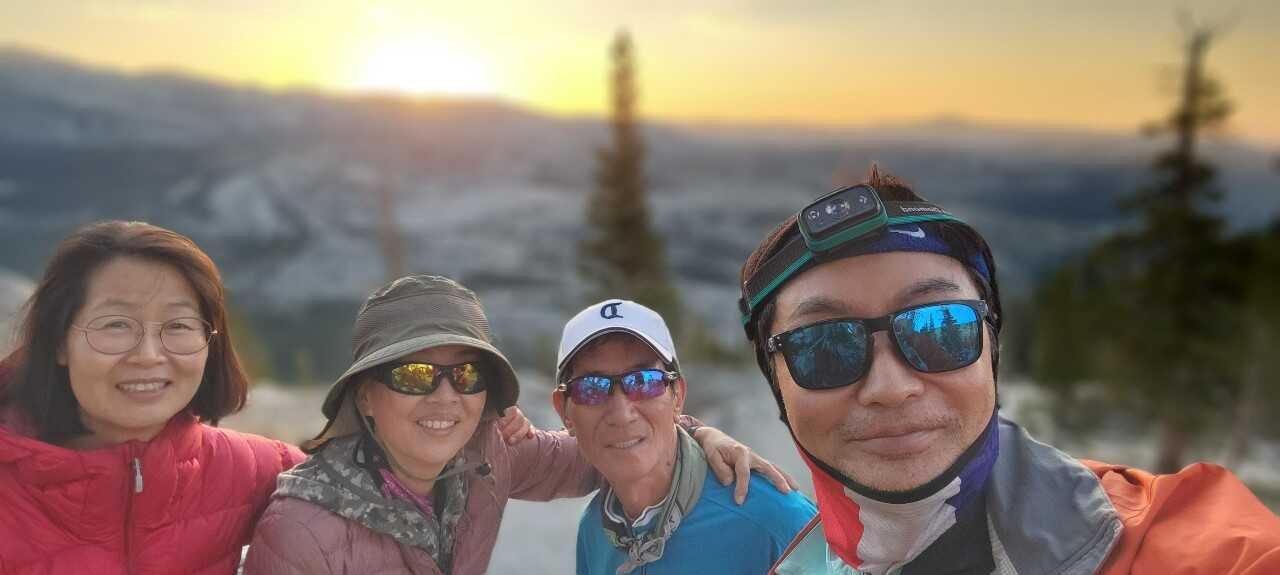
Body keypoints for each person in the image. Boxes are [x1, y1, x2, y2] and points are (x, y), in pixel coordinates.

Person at [737, 170, 1280, 574]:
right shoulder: (795, 562)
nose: (891, 387)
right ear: (776, 384)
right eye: (824, 347)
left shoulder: (1168, 544)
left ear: (990, 349)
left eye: (939, 328)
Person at [243, 275, 795, 575]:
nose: (445, 395)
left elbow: (615, 444)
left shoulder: (485, 456)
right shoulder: (301, 533)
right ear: (365, 395)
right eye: (414, 374)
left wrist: (700, 434)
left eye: (465, 374)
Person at [0, 221, 306, 574]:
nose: (147, 356)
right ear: (59, 342)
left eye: (178, 326)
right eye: (116, 324)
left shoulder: (274, 476)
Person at [553, 299, 816, 574]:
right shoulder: (594, 531)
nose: (621, 414)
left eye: (643, 381)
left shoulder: (775, 519)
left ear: (677, 396)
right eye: (592, 388)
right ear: (563, 411)